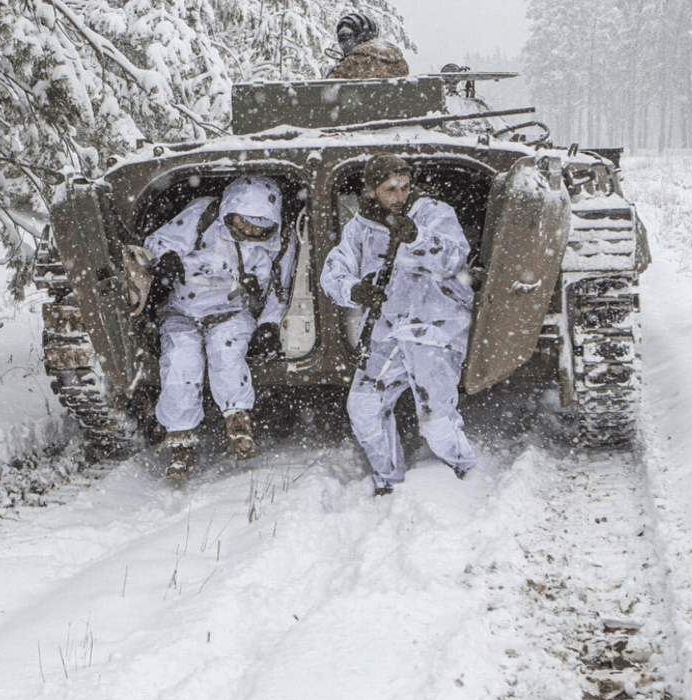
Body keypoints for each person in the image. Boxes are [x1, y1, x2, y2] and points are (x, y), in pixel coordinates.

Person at [320, 154, 478, 495]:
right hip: (387, 332)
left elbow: (457, 261)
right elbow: (332, 274)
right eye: (390, 189)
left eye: (405, 186)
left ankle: (467, 471)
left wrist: (419, 240)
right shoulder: (360, 226)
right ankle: (389, 481)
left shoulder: (434, 212)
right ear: (373, 192)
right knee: (363, 408)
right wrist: (355, 290)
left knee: (436, 424)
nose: (400, 195)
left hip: (435, 328)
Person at [142, 176, 295, 481]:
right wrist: (166, 260)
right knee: (182, 360)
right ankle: (181, 441)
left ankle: (238, 422)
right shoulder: (204, 215)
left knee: (227, 353)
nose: (251, 232)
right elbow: (157, 242)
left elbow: (282, 290)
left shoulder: (281, 243)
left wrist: (268, 324)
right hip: (182, 308)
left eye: (260, 227)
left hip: (233, 311)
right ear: (229, 211)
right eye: (244, 223)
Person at [325, 12, 409, 79]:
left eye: (346, 36)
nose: (343, 44)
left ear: (361, 37)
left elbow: (325, 93)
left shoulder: (350, 64)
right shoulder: (400, 62)